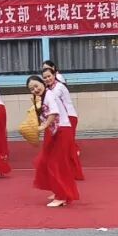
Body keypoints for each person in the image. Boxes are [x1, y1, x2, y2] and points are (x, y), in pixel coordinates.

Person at [26, 74, 79, 207]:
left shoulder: (50, 95)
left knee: (56, 164)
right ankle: (60, 192)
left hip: (62, 131)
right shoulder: (42, 98)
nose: (35, 90)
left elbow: (54, 113)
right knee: (46, 162)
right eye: (31, 89)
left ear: (42, 83)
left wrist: (43, 126)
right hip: (56, 132)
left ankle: (62, 196)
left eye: (36, 86)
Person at [42, 66, 84, 181]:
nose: (47, 79)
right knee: (58, 147)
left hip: (67, 118)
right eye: (45, 77)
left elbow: (52, 105)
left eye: (49, 76)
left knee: (66, 148)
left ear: (54, 74)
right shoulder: (48, 89)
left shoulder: (58, 87)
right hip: (56, 120)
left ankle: (71, 172)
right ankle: (60, 171)